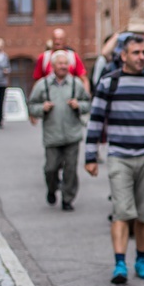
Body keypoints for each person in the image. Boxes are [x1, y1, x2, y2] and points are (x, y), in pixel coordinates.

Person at [84, 34, 144, 286]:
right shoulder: (110, 82)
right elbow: (95, 120)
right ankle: (120, 263)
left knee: (143, 213)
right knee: (121, 212)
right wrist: (90, 156)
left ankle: (141, 259)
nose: (142, 57)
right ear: (123, 55)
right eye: (136, 53)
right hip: (119, 156)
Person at [28, 51, 91, 211]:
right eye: (60, 63)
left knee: (70, 169)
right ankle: (52, 188)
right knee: (50, 168)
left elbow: (88, 104)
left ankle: (67, 199)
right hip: (52, 134)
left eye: (65, 63)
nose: (63, 66)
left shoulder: (76, 84)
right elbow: (31, 106)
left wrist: (79, 105)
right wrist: (42, 108)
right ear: (53, 66)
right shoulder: (43, 85)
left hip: (72, 134)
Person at [32, 28, 90, 94]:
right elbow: (37, 81)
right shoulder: (44, 58)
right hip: (50, 96)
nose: (57, 42)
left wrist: (85, 97)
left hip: (69, 96)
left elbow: (83, 79)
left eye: (60, 39)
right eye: (55, 39)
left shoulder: (73, 57)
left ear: (65, 41)